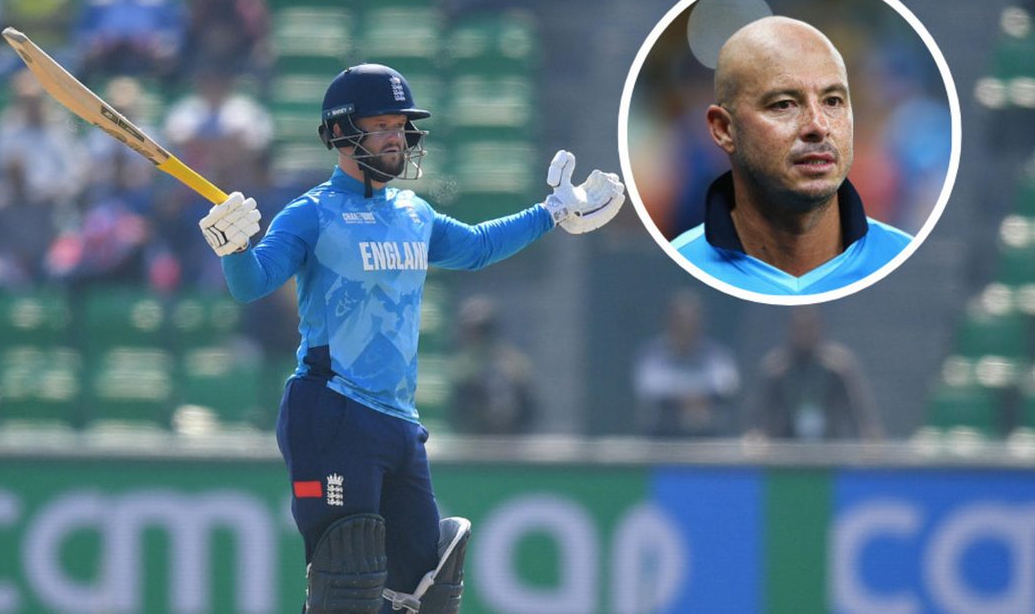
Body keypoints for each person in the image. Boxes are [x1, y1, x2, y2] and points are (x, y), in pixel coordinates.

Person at [199, 63, 624, 612]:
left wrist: (552, 212)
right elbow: (253, 284)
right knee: (347, 585)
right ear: (340, 133)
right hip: (330, 412)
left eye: (400, 125)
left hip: (398, 421)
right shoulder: (312, 214)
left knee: (426, 588)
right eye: (381, 124)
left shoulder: (412, 213)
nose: (396, 136)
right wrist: (234, 249)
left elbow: (476, 246)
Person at [670, 16, 912, 296]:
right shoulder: (678, 268)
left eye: (833, 101)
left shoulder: (903, 259)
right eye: (784, 104)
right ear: (724, 129)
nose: (818, 126)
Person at [747, 307, 882, 441]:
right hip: (787, 452)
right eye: (799, 329)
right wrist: (757, 434)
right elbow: (759, 414)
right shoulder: (776, 370)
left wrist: (869, 434)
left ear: (820, 328)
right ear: (790, 330)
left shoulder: (837, 368)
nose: (805, 334)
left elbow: (858, 410)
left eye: (809, 328)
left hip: (829, 450)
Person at [631, 289, 740, 438]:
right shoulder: (652, 354)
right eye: (680, 321)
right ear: (670, 322)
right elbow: (650, 387)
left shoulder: (716, 355)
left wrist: (696, 398)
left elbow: (728, 386)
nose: (686, 327)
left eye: (692, 322)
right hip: (662, 441)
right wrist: (686, 399)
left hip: (709, 442)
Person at [449, 295, 539, 435]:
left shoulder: (515, 364)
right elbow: (458, 408)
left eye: (480, 330)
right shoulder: (462, 366)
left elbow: (530, 407)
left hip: (511, 443)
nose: (471, 335)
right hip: (472, 442)